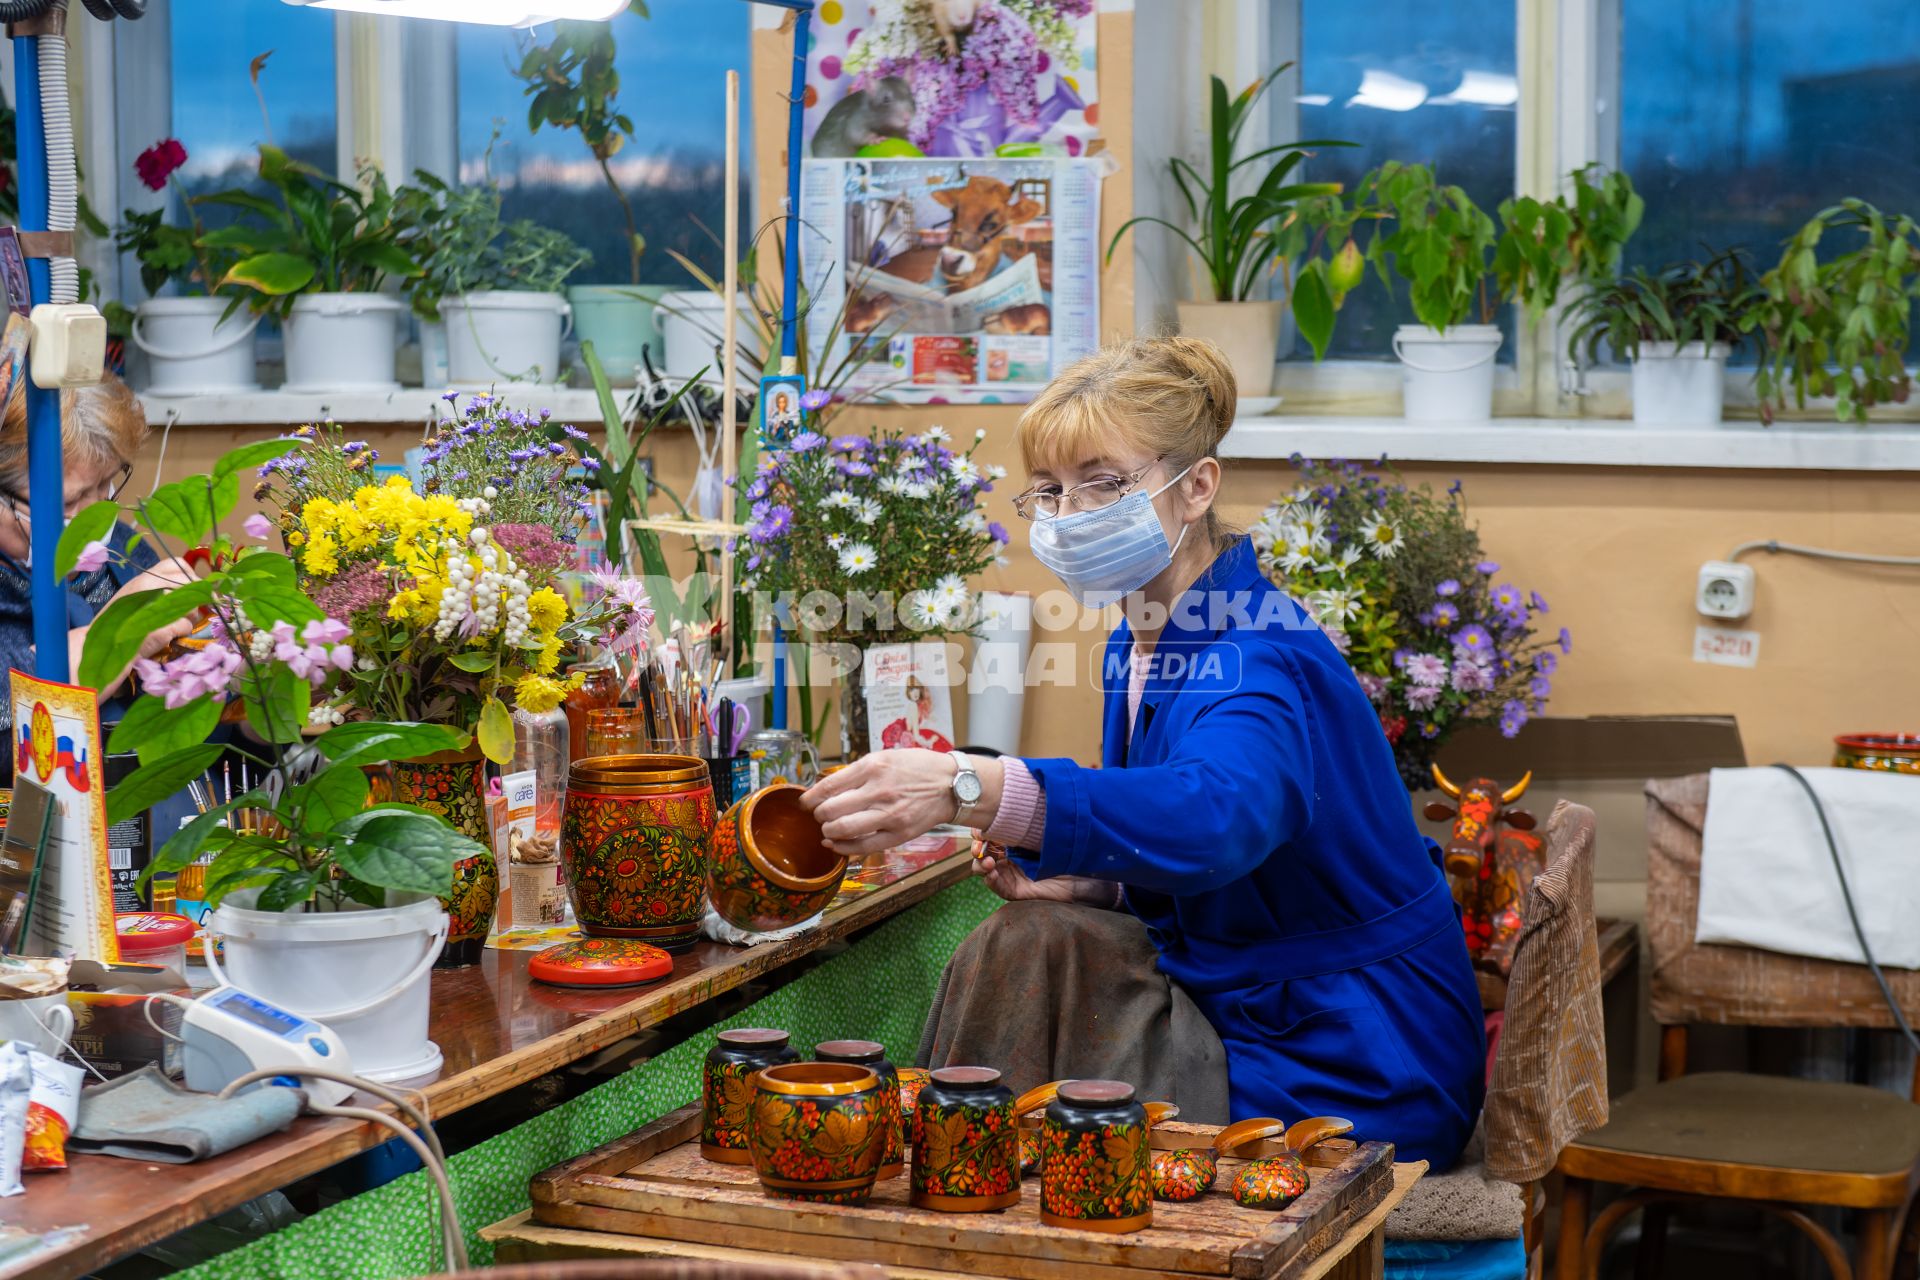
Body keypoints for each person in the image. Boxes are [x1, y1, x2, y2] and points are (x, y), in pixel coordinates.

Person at [801, 337, 1486, 1168]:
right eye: (1050, 491)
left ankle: (957, 1190)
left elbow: (1215, 816)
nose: (1070, 513)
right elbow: (1226, 863)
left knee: (1026, 960)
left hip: (1346, 1062)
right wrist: (1103, 884)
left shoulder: (1258, 654)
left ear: (1196, 486)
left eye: (1105, 483)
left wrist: (965, 784)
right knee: (1033, 935)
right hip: (1254, 1004)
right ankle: (963, 1185)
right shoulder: (1144, 638)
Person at [0, 377, 197, 740]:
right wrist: (116, 638)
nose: (95, 518)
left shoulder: (123, 550)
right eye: (68, 502)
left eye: (104, 484)